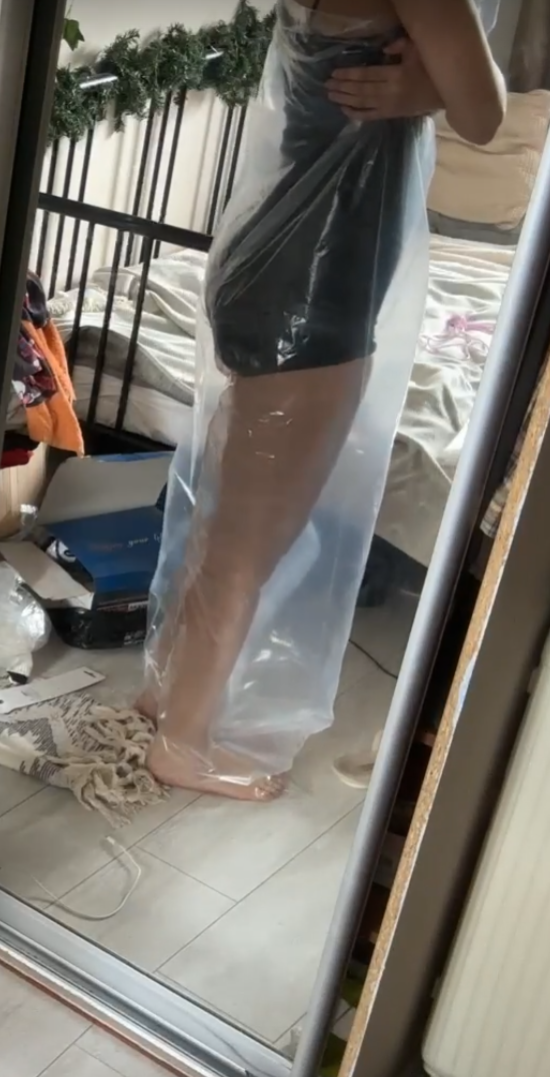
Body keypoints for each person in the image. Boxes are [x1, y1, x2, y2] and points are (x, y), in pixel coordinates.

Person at [140, 0, 504, 801]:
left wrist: (421, 88)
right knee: (249, 545)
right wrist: (430, 90)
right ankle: (182, 743)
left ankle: (164, 693)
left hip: (270, 259)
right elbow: (485, 116)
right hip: (317, 290)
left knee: (228, 519)